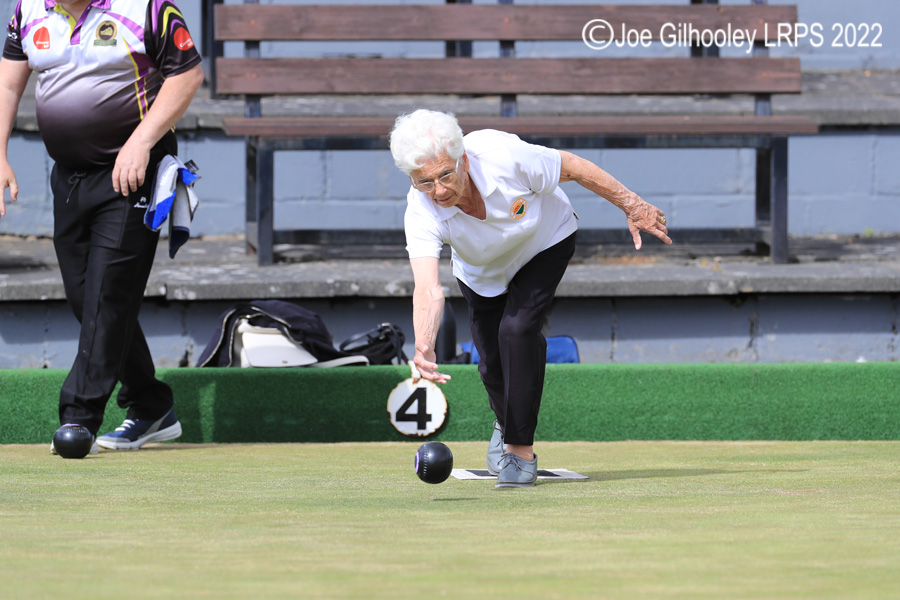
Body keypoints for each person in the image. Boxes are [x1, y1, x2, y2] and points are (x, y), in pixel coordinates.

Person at [389, 110, 671, 487]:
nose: (438, 191)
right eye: (424, 182)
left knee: (518, 329)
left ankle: (519, 453)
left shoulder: (503, 156)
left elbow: (575, 167)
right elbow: (426, 287)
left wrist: (633, 205)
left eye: (445, 175)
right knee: (490, 364)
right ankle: (506, 424)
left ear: (464, 160)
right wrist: (423, 343)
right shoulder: (420, 209)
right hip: (482, 272)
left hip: (544, 241)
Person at [0, 0, 203, 454]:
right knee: (85, 296)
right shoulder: (27, 10)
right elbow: (10, 82)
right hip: (69, 177)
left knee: (108, 293)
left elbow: (187, 75)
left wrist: (141, 142)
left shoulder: (149, 8)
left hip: (133, 174)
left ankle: (79, 417)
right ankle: (151, 405)